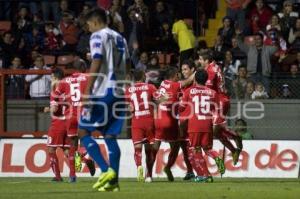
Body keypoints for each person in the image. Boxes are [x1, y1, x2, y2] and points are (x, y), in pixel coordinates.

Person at [77, 8, 130, 192]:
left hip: (103, 91)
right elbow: (128, 64)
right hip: (120, 91)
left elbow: (97, 60)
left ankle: (106, 170)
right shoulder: (121, 38)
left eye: (89, 24)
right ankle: (113, 181)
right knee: (110, 136)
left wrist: (87, 90)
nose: (88, 28)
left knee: (83, 131)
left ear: (96, 21)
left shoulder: (98, 35)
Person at [198, 50, 242, 167]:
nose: (199, 61)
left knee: (215, 129)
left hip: (220, 101)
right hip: (220, 100)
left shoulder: (210, 70)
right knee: (217, 133)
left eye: (201, 59)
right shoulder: (215, 67)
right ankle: (234, 150)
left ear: (206, 60)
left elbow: (207, 88)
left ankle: (235, 136)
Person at [53, 60, 96, 181]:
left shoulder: (64, 81)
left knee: (72, 145)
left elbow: (55, 95)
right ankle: (84, 156)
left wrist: (54, 105)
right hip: (84, 114)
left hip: (70, 116)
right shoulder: (87, 77)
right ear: (83, 67)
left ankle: (72, 175)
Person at [153, 66, 194, 181]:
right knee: (176, 146)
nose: (180, 75)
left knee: (157, 145)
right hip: (170, 120)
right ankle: (168, 167)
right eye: (179, 73)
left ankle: (148, 173)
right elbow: (188, 81)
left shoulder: (163, 83)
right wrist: (198, 71)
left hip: (159, 118)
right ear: (175, 75)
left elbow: (156, 98)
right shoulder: (175, 85)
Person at [180, 69, 219, 182]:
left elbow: (182, 108)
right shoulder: (213, 93)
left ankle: (205, 175)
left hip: (194, 124)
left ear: (195, 79)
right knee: (207, 149)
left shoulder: (188, 91)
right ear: (206, 80)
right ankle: (216, 157)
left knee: (195, 150)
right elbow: (215, 109)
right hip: (207, 124)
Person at [125, 69, 157, 182]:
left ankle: (139, 166)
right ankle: (149, 176)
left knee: (137, 149)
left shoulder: (128, 90)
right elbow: (159, 98)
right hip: (149, 121)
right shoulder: (150, 87)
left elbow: (130, 108)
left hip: (136, 122)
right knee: (149, 151)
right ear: (144, 76)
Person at [46, 68, 72, 182]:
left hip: (57, 124)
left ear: (56, 78)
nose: (51, 80)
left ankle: (57, 176)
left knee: (51, 149)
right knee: (67, 151)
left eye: (52, 78)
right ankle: (85, 160)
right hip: (68, 123)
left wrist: (49, 109)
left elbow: (55, 108)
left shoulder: (55, 91)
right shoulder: (68, 89)